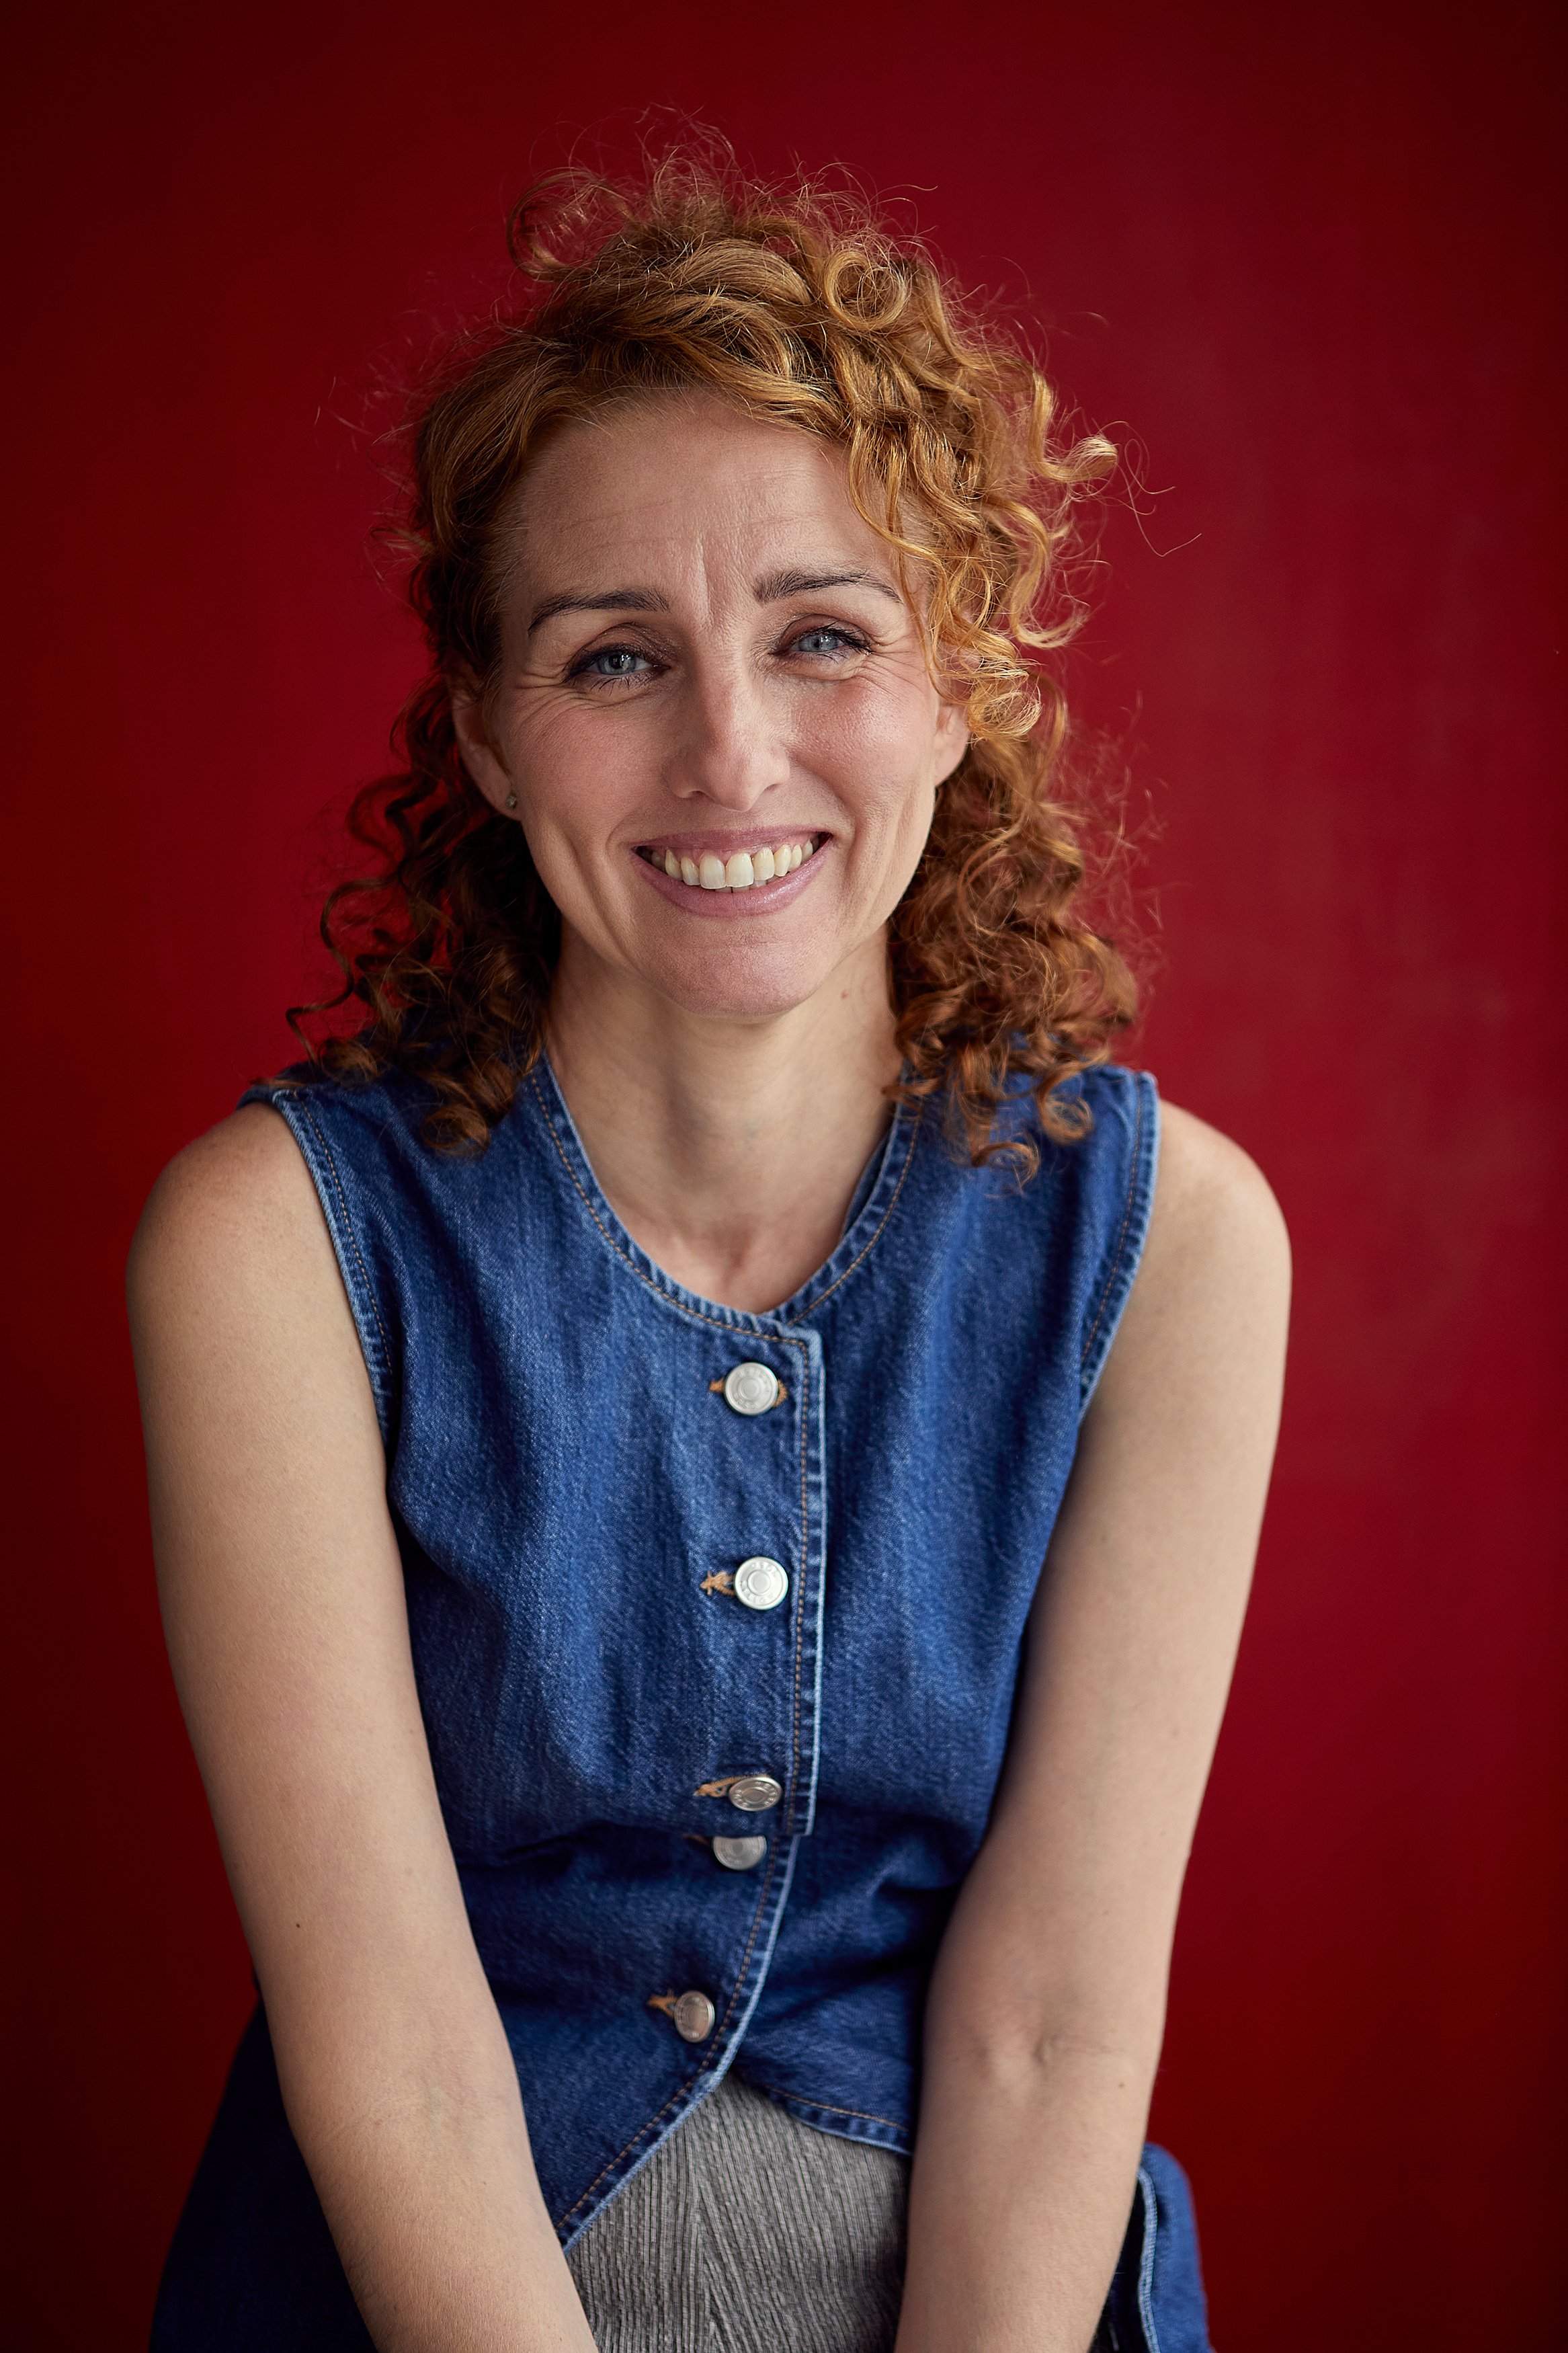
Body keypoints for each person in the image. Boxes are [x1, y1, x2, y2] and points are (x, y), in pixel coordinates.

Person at [129, 157, 1289, 2353]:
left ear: (956, 689)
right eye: (614, 655)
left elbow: (1047, 2024)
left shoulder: (1182, 1247)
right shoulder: (271, 1245)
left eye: (825, 634)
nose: (731, 749)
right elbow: (390, 2047)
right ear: (485, 730)